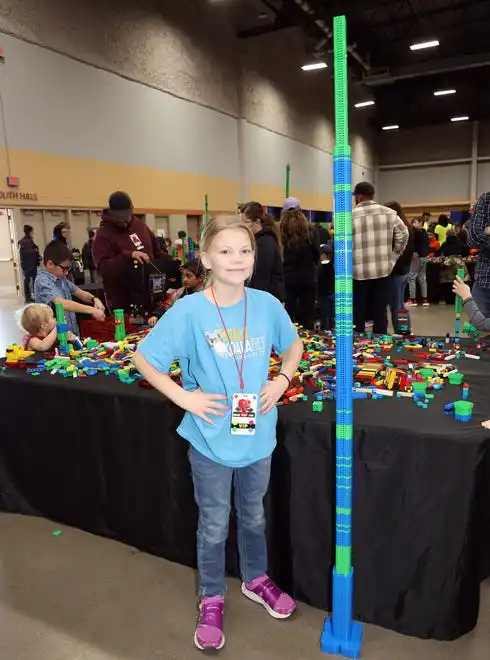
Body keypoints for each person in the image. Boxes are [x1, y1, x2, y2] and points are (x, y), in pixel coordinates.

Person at [133, 215, 303, 652]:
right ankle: (211, 596)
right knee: (212, 523)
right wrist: (184, 398)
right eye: (225, 251)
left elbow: (293, 345)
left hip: (257, 434)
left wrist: (282, 380)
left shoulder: (266, 304)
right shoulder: (189, 310)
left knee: (254, 515)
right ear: (206, 258)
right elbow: (144, 358)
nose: (237, 259)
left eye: (244, 250)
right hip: (209, 438)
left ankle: (256, 578)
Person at [92, 191, 169, 311]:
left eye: (127, 217)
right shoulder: (102, 235)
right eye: (119, 219)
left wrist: (173, 263)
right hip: (123, 302)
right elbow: (103, 268)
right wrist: (128, 256)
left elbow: (158, 253)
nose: (124, 221)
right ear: (111, 215)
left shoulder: (141, 227)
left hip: (151, 296)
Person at [352, 182, 408, 334]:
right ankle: (380, 343)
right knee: (380, 310)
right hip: (383, 271)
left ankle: (358, 343)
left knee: (359, 311)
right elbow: (404, 234)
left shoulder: (349, 216)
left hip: (359, 273)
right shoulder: (389, 213)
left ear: (359, 196)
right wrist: (393, 257)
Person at [34, 240, 105, 336]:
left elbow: (80, 293)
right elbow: (61, 303)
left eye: (69, 269)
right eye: (64, 268)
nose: (67, 272)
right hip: (54, 339)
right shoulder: (42, 281)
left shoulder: (61, 279)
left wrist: (95, 299)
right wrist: (91, 310)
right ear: (50, 264)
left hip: (71, 335)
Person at [280, 202, 320, 329]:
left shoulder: (281, 230)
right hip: (308, 278)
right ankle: (308, 343)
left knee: (289, 315)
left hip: (288, 279)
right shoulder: (310, 230)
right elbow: (317, 254)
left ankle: (290, 344)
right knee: (308, 315)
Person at [241, 202, 284, 301]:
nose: (242, 227)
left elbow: (261, 276)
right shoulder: (259, 240)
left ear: (257, 222)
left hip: (268, 299)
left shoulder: (264, 243)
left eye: (245, 223)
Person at [148, 258, 205, 326]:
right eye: (183, 276)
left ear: (201, 278)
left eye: (188, 276)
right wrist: (155, 316)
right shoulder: (179, 293)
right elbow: (165, 306)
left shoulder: (209, 294)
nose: (185, 280)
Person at [385, 202, 414, 333]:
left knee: (395, 306)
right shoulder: (408, 227)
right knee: (400, 304)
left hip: (396, 272)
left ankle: (400, 332)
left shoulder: (395, 229)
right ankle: (406, 329)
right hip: (405, 271)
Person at [467, 192, 490, 316]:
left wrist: (487, 230)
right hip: (484, 282)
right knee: (478, 332)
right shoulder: (486, 200)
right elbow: (473, 238)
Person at [407, 217, 430, 307]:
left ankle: (412, 299)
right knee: (422, 278)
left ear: (421, 223)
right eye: (412, 222)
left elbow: (412, 244)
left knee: (412, 277)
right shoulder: (425, 233)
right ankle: (425, 299)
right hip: (424, 257)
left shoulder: (415, 233)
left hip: (416, 256)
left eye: (415, 222)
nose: (413, 224)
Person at [18, 224, 39, 303]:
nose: (33, 233)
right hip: (28, 265)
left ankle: (32, 297)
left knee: (32, 281)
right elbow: (24, 253)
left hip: (31, 264)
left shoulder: (29, 240)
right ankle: (29, 297)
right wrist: (35, 251)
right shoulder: (23, 242)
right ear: (29, 232)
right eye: (32, 231)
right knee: (28, 281)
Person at [318, 242, 334, 331]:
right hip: (331, 292)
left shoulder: (321, 267)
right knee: (331, 314)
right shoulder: (332, 266)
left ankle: (325, 330)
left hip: (323, 294)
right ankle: (331, 328)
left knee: (325, 314)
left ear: (323, 255)